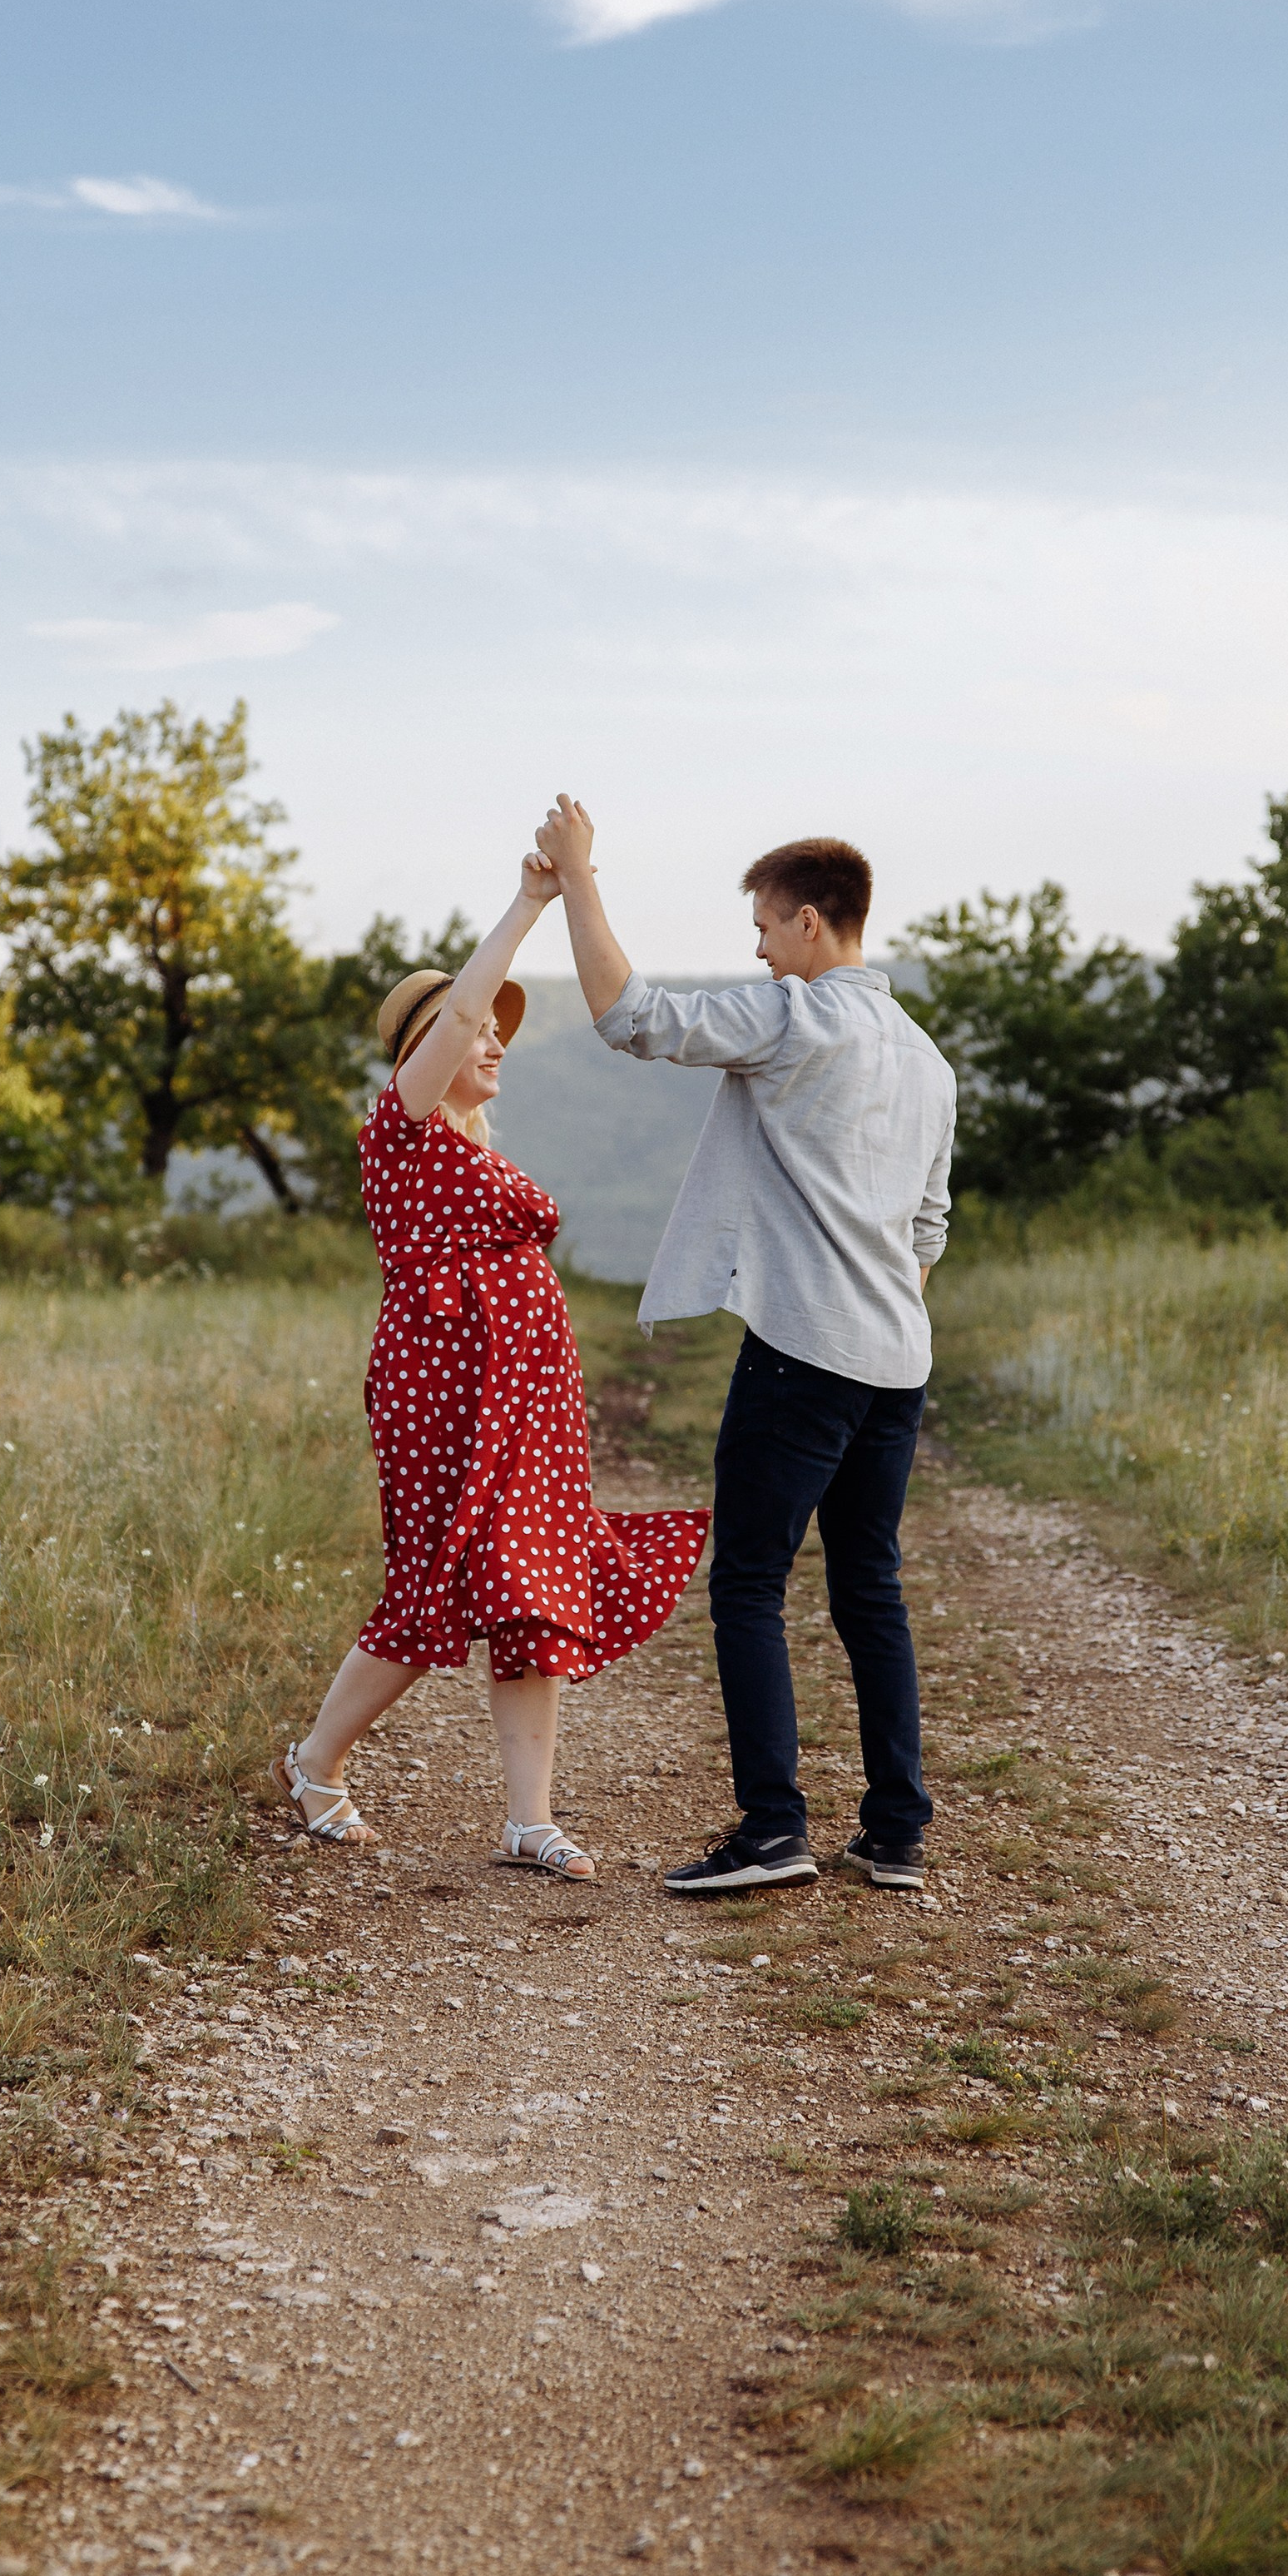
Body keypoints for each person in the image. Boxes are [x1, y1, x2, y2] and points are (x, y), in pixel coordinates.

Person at [533, 796, 955, 1895]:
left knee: (750, 1584)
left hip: (806, 1353)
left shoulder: (796, 1020)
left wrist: (580, 877)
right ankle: (896, 1833)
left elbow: (632, 1018)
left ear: (813, 924)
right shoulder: (928, 1062)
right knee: (871, 1588)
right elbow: (927, 1232)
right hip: (896, 1361)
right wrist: (873, 1309)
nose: (759, 951)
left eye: (766, 929)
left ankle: (773, 1832)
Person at [275, 849, 709, 1879]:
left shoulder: (477, 1150)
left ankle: (527, 1817)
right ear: (427, 1046)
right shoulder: (404, 1130)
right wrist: (532, 902)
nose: (497, 1041)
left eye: (504, 1032)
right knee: (431, 1583)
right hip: (442, 1390)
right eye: (479, 1029)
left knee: (535, 1588)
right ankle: (316, 1762)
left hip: (525, 1392)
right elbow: (465, 1014)